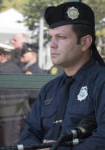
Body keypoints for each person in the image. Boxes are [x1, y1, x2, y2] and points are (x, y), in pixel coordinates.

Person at [19, 2, 105, 150]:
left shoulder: (101, 82)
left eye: (61, 37)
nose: (52, 44)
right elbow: (29, 133)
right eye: (51, 37)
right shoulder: (49, 89)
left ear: (85, 42)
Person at [0, 42, 30, 146]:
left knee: (5, 143)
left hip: (3, 115)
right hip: (18, 113)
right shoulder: (18, 69)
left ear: (1, 56)